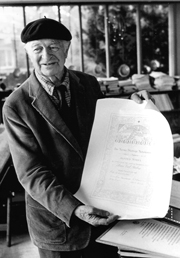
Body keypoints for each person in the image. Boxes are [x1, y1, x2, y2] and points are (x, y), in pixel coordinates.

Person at [3, 17, 153, 258]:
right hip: (57, 223)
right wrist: (75, 209)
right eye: (37, 48)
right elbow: (31, 173)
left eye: (53, 46)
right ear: (28, 52)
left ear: (67, 48)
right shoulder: (16, 105)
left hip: (104, 214)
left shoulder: (89, 84)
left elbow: (108, 125)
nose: (46, 55)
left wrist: (133, 106)